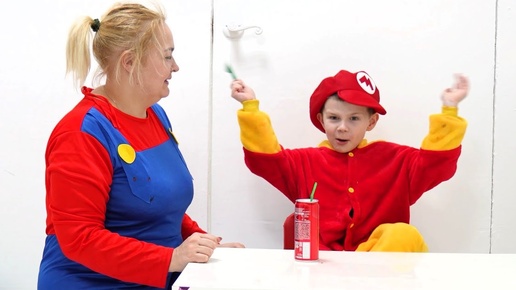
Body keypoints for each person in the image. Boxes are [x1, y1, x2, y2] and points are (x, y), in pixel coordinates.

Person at [37, 2, 244, 289]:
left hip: (155, 277)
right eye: (167, 56)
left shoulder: (154, 115)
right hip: (93, 282)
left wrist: (201, 245)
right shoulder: (81, 133)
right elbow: (79, 239)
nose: (176, 66)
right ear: (129, 62)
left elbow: (157, 204)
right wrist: (171, 258)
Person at [229, 69, 469, 252]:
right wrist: (250, 108)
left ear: (371, 123)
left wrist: (449, 110)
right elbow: (265, 160)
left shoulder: (397, 160)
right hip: (320, 268)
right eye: (334, 118)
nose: (343, 128)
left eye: (354, 119)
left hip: (378, 273)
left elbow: (436, 165)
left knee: (403, 234)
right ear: (321, 120)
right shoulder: (303, 162)